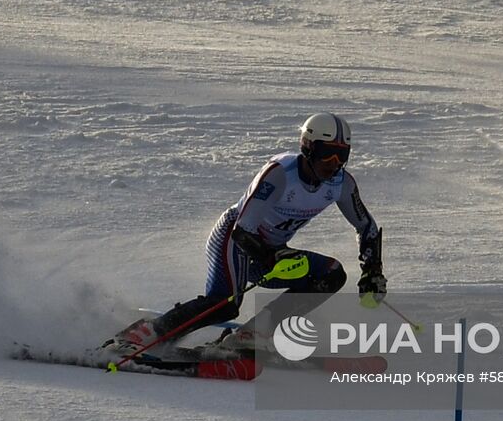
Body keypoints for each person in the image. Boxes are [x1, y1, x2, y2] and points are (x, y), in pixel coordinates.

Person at [106, 113, 385, 355]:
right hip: (234, 240)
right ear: (309, 147)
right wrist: (273, 257)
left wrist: (372, 270)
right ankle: (144, 334)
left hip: (271, 253)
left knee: (332, 274)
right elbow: (243, 229)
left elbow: (367, 228)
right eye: (327, 153)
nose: (334, 163)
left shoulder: (341, 184)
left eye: (342, 155)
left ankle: (253, 334)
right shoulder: (279, 174)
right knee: (224, 305)